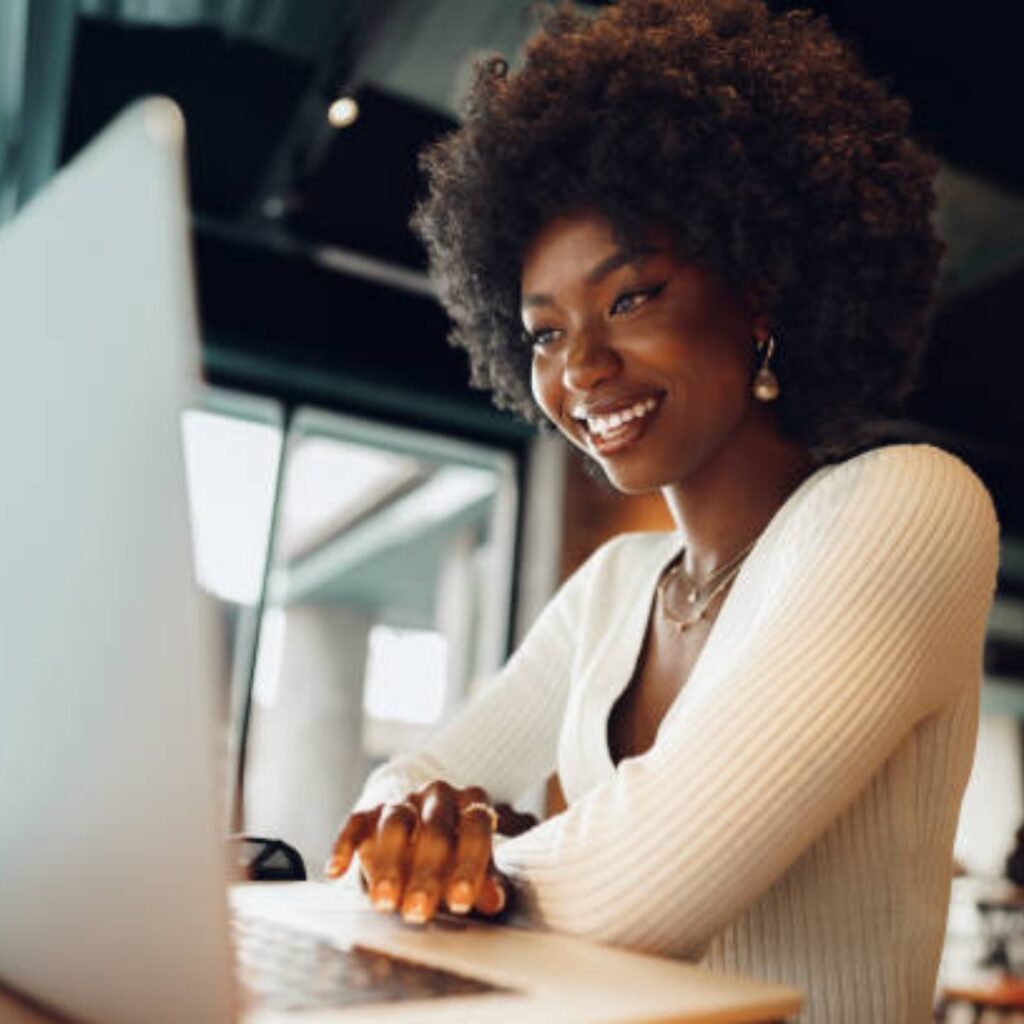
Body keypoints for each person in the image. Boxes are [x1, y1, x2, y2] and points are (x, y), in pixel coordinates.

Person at [325, 1, 1001, 1019]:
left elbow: (639, 885)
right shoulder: (614, 588)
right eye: (543, 333)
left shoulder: (910, 506)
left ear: (760, 290)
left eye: (629, 297)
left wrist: (460, 861)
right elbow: (396, 788)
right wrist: (412, 825)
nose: (582, 368)